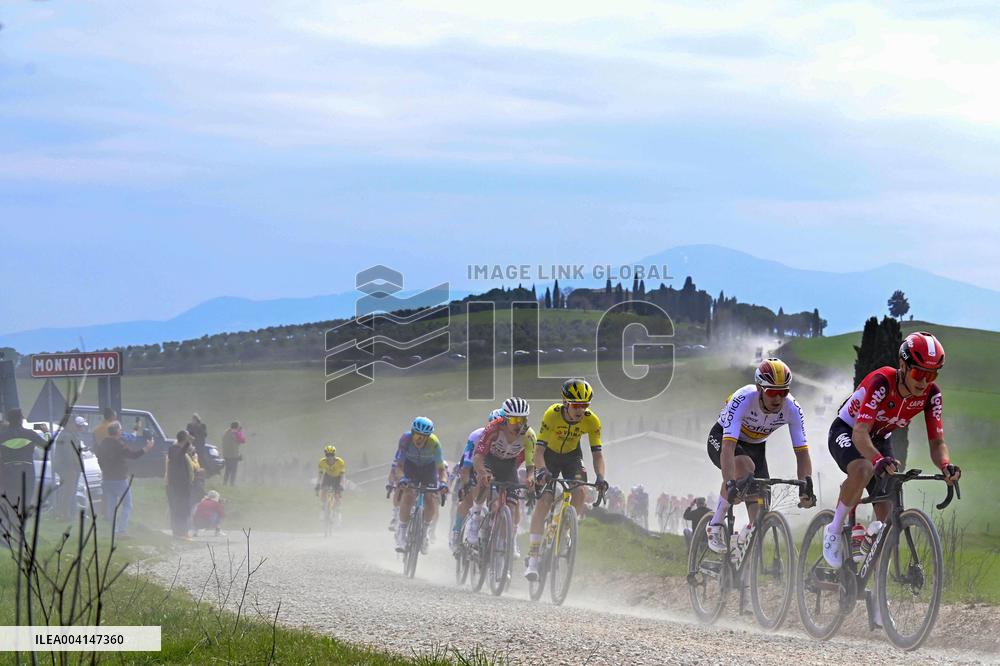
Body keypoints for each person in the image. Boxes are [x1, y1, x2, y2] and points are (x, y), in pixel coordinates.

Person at [822, 332, 961, 568]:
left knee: (888, 502)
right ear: (902, 365)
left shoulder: (932, 395)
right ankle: (834, 529)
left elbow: (937, 442)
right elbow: (860, 433)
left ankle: (868, 551)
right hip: (848, 430)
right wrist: (877, 459)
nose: (924, 381)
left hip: (879, 437)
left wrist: (946, 465)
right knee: (863, 469)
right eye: (919, 372)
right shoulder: (882, 383)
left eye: (932, 374)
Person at [705, 358, 815, 554]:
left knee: (760, 513)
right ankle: (715, 523)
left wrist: (806, 484)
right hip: (724, 439)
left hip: (756, 447)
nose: (778, 398)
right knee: (743, 468)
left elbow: (802, 453)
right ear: (759, 388)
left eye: (784, 392)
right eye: (772, 392)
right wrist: (730, 483)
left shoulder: (793, 409)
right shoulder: (743, 399)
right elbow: (729, 448)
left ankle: (743, 551)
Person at [526, 378, 608, 581]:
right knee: (544, 502)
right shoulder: (552, 415)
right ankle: (534, 558)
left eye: (585, 405)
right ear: (565, 402)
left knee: (581, 491)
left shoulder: (592, 420)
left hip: (572, 457)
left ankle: (567, 529)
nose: (580, 410)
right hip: (549, 457)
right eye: (576, 405)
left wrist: (600, 477)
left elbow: (597, 455)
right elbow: (538, 452)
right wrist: (542, 471)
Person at [460, 398, 535, 558]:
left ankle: (510, 538)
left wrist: (530, 477)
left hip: (509, 466)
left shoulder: (529, 435)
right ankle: (476, 516)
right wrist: (482, 472)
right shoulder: (492, 429)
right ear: (505, 419)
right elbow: (478, 457)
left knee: (512, 506)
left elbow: (531, 463)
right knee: (484, 480)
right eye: (514, 420)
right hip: (490, 460)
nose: (518, 424)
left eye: (522, 419)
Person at [389, 417, 448, 553]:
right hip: (410, 468)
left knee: (430, 497)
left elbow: (441, 469)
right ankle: (402, 533)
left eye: (423, 436)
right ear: (412, 433)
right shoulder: (405, 439)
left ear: (428, 436)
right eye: (417, 435)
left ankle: (425, 533)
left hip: (429, 469)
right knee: (408, 495)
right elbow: (399, 466)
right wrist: (402, 478)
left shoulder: (434, 443)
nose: (419, 439)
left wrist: (444, 482)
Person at [448, 406, 503, 550]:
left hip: (493, 467)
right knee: (468, 499)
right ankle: (456, 532)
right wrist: (465, 486)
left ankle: (489, 532)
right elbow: (466, 467)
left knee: (496, 501)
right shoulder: (476, 436)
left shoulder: (506, 438)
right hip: (472, 466)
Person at [95, 421, 154, 536]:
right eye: (121, 430)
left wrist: (104, 470)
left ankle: (113, 530)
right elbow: (133, 455)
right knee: (127, 505)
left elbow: (99, 459)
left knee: (111, 506)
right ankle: (122, 530)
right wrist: (146, 448)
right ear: (117, 431)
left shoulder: (103, 443)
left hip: (107, 478)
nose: (122, 431)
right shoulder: (118, 444)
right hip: (119, 479)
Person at [0, 408, 48, 540]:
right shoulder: (29, 434)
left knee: (9, 503)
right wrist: (46, 432)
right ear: (21, 419)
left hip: (7, 473)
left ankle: (8, 531)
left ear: (8, 420)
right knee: (24, 503)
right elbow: (47, 445)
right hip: (26, 473)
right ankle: (20, 531)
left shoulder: (2, 435)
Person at [53, 415, 93, 520]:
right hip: (68, 468)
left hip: (70, 468)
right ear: (71, 424)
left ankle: (68, 513)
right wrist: (75, 467)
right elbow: (69, 454)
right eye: (79, 426)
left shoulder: (71, 434)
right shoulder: (67, 436)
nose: (82, 428)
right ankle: (63, 514)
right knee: (67, 492)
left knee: (70, 491)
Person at [166, 431, 195, 539]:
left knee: (179, 509)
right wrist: (188, 444)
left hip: (178, 485)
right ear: (184, 440)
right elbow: (179, 455)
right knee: (182, 509)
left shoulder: (175, 450)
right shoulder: (174, 450)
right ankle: (182, 532)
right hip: (179, 486)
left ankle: (178, 532)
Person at [315, 444, 346, 518]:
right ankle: (323, 509)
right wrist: (318, 484)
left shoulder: (340, 462)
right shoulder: (322, 462)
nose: (330, 457)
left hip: (337, 478)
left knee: (337, 495)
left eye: (331, 455)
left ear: (334, 455)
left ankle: (338, 513)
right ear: (325, 455)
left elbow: (342, 475)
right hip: (328, 477)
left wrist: (342, 484)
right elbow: (320, 474)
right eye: (328, 455)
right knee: (323, 491)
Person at [221, 421, 245, 486]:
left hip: (226, 454)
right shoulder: (235, 434)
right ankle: (232, 484)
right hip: (234, 455)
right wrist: (240, 432)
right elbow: (242, 440)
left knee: (227, 470)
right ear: (236, 427)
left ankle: (224, 483)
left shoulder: (226, 432)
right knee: (234, 471)